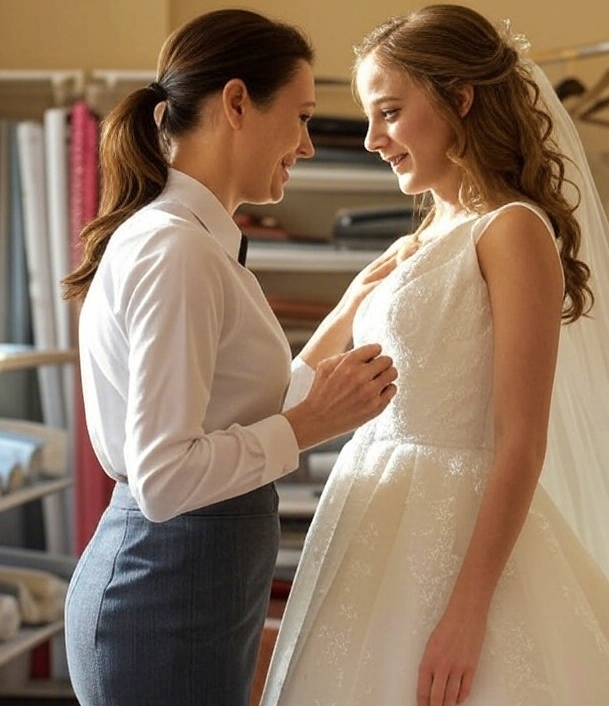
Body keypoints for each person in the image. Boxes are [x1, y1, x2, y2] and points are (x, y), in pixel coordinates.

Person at [261, 6, 609, 706]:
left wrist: (469, 612)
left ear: (459, 99)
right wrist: (350, 305)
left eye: (391, 113)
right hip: (370, 526)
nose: (373, 139)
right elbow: (304, 388)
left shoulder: (513, 231)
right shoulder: (415, 243)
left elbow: (522, 441)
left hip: (458, 536)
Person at [61, 9, 402, 706]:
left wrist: (344, 314)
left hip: (186, 591)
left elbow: (235, 408)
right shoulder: (176, 251)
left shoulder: (193, 244)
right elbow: (164, 476)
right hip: (163, 599)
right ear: (238, 102)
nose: (307, 146)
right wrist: (310, 426)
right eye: (303, 117)